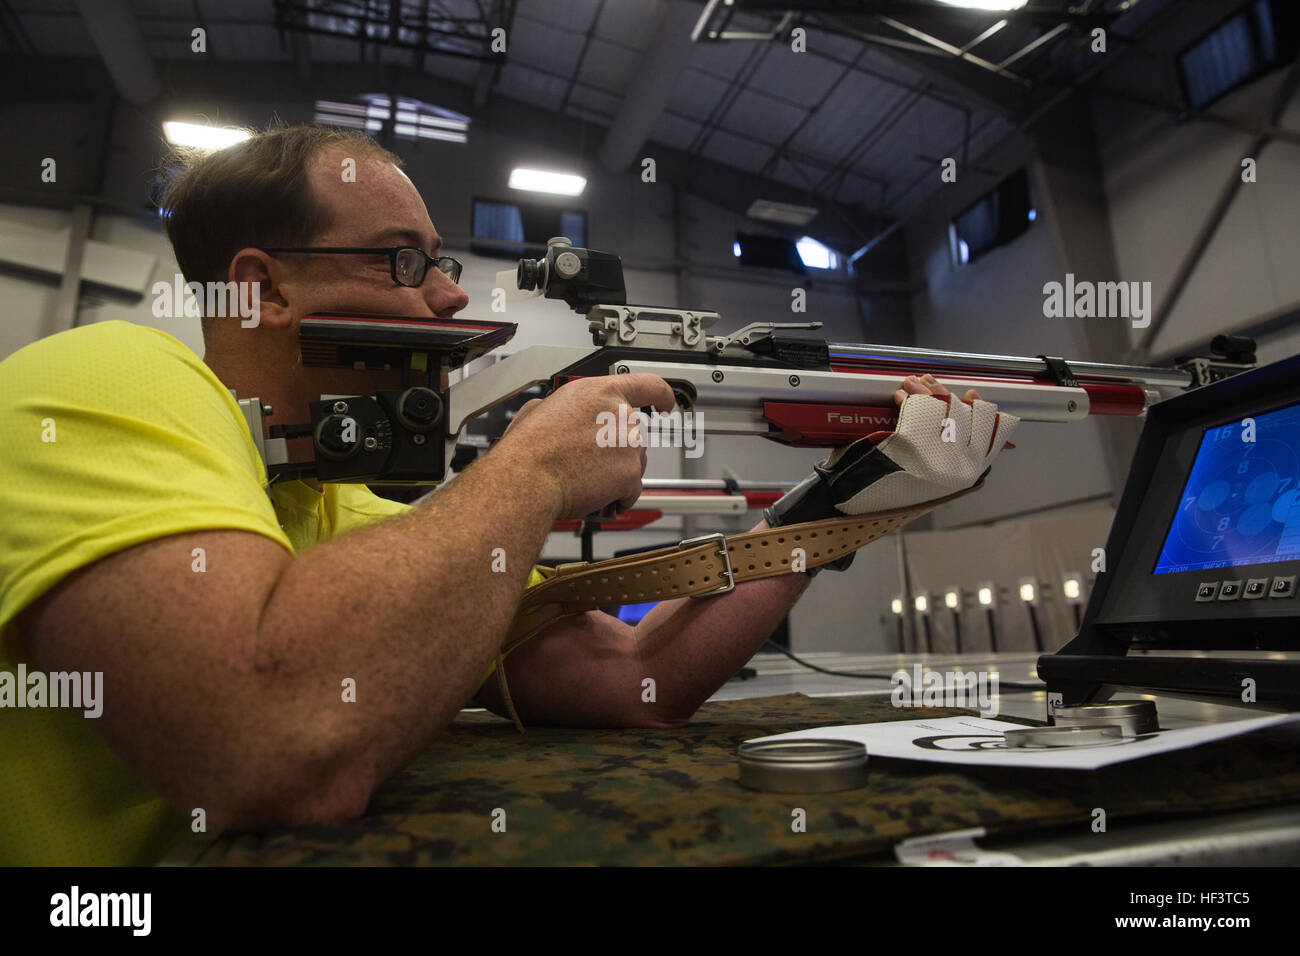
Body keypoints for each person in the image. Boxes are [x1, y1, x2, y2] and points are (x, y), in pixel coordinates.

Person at [0, 125, 1012, 865]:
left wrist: (855, 498)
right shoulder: (110, 374)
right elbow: (271, 748)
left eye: (440, 261)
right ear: (261, 289)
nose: (448, 295)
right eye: (405, 260)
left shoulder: (349, 508)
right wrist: (531, 468)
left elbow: (634, 677)